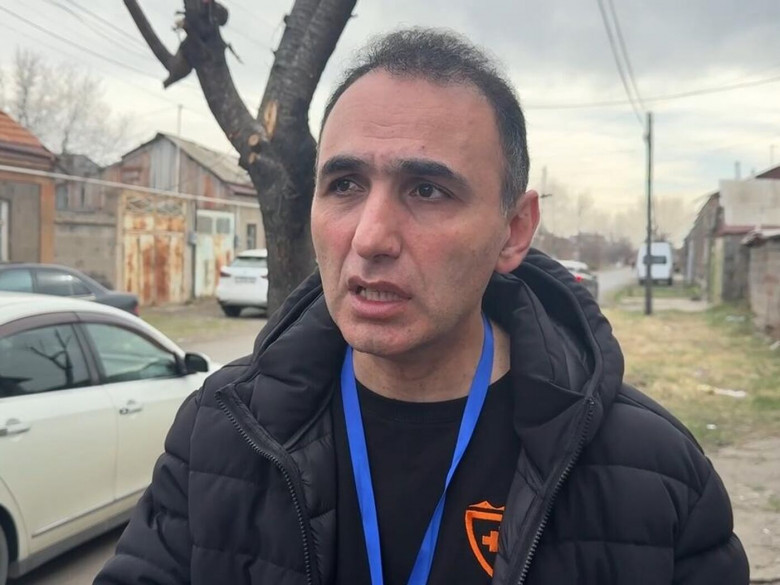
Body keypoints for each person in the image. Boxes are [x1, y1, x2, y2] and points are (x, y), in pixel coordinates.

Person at [95, 28, 749, 585]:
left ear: (514, 230)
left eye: (427, 190)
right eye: (345, 184)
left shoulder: (651, 471)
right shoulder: (222, 433)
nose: (371, 237)